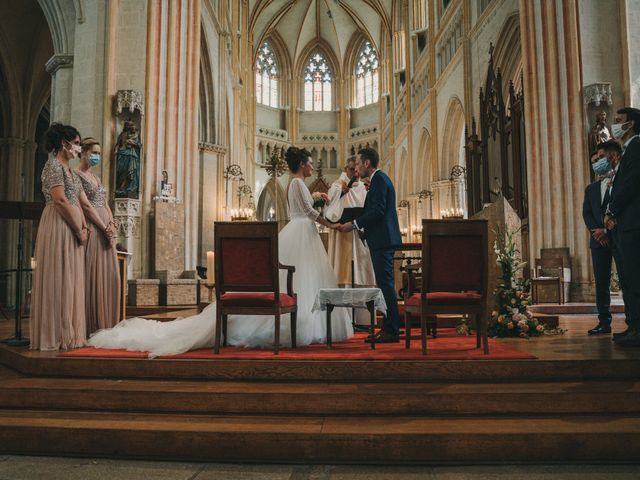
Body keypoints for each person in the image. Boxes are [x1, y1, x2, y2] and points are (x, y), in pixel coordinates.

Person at [88, 146, 353, 357]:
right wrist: (332, 224)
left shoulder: (296, 184)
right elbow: (306, 212)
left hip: (301, 231)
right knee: (303, 279)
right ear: (302, 164)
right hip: (303, 230)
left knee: (306, 281)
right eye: (308, 162)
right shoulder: (296, 183)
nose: (310, 165)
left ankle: (303, 323)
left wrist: (318, 199)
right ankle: (299, 326)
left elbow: (306, 206)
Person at [30, 124, 102, 350]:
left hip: (73, 227)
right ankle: (55, 334)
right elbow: (60, 200)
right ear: (64, 143)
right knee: (59, 276)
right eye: (77, 143)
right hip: (59, 225)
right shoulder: (53, 165)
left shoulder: (70, 171)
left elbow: (81, 202)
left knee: (70, 277)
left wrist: (85, 227)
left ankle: (68, 332)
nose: (78, 148)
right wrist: (77, 227)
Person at [336, 148, 402, 343]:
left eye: (357, 164)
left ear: (366, 163)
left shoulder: (380, 180)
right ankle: (389, 328)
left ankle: (391, 330)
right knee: (384, 285)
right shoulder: (376, 182)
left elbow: (379, 211)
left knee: (386, 286)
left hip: (383, 240)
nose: (356, 168)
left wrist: (354, 224)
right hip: (381, 239)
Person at [77, 137, 121, 333]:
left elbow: (104, 203)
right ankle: (91, 324)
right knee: (93, 275)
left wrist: (111, 223)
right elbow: (86, 206)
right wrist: (103, 227)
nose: (96, 156)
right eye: (93, 152)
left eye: (98, 154)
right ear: (83, 152)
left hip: (106, 229)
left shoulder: (97, 178)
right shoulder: (76, 176)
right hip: (94, 228)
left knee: (110, 276)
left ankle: (107, 323)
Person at [604, 107, 640, 347]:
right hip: (626, 223)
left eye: (618, 121)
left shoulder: (637, 147)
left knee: (635, 278)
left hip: (633, 223)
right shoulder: (629, 149)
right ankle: (633, 326)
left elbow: (631, 183)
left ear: (632, 124)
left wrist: (612, 211)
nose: (614, 125)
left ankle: (638, 328)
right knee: (628, 278)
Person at [582, 141, 625, 335]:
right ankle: (604, 322)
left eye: (599, 158)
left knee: (627, 278)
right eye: (594, 161)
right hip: (598, 241)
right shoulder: (591, 189)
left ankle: (632, 322)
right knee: (601, 283)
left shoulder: (619, 180)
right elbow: (587, 213)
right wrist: (598, 232)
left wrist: (607, 232)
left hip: (617, 237)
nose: (597, 162)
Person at [325, 156, 375, 287]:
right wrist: (341, 193)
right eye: (352, 169)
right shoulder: (337, 185)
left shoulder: (364, 186)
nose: (355, 172)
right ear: (346, 169)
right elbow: (329, 210)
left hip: (360, 235)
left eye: (357, 169)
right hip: (342, 233)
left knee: (362, 271)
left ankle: (363, 302)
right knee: (343, 269)